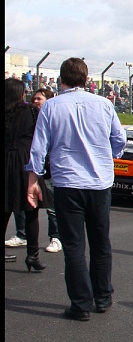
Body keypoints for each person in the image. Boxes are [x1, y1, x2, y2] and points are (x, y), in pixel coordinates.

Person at [27, 58, 127, 321]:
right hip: (99, 181)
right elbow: (120, 139)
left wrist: (33, 180)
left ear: (62, 80)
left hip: (68, 182)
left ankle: (80, 304)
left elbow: (39, 148)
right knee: (100, 241)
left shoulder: (51, 106)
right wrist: (107, 156)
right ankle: (103, 296)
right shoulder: (105, 104)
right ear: (86, 79)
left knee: (73, 245)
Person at [5, 78, 45, 268]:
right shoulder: (31, 111)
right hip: (25, 162)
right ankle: (33, 255)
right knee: (31, 210)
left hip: (6, 161)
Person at [31, 88, 62, 253]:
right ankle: (22, 235)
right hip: (32, 167)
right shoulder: (29, 117)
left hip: (49, 168)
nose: (35, 101)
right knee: (27, 206)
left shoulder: (52, 117)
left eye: (39, 99)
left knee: (52, 206)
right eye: (34, 99)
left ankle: (56, 237)